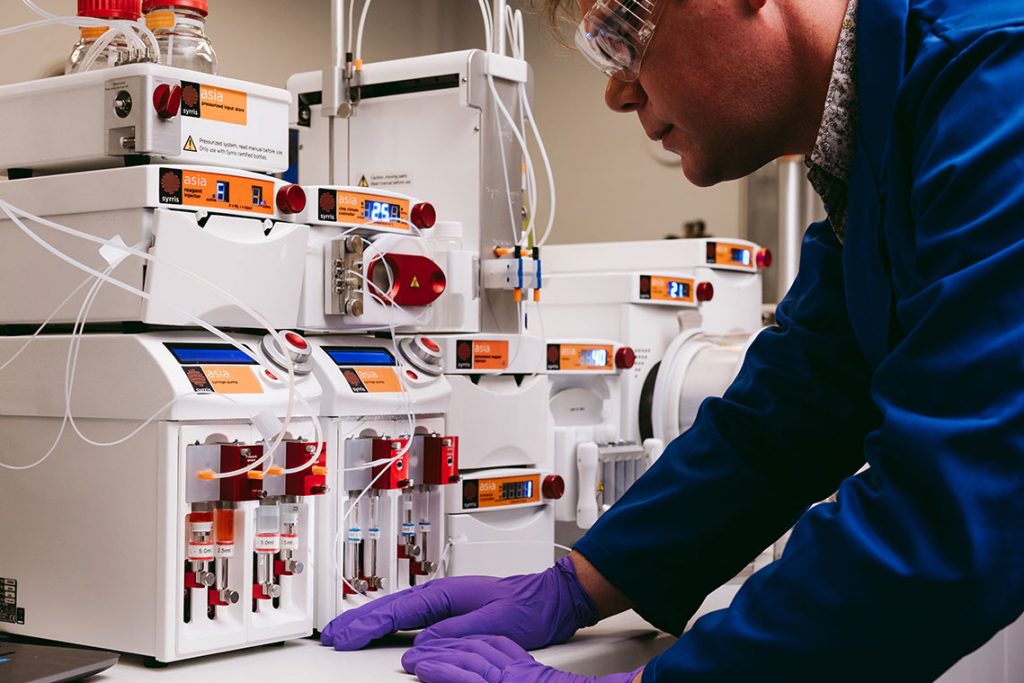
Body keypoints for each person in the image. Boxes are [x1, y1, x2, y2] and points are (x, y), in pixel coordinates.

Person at [320, 0, 1024, 680]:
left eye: (621, 30)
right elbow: (792, 412)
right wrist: (581, 583)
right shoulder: (893, 132)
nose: (617, 92)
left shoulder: (997, 80)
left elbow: (964, 498)